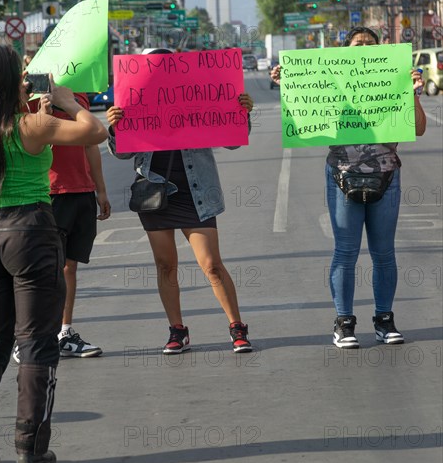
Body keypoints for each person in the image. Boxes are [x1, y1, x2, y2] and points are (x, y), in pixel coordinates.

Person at [0, 43, 108, 463]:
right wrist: (63, 102)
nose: (26, 78)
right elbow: (96, 132)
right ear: (4, 82)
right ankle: (31, 447)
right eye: (18, 74)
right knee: (37, 343)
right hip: (32, 232)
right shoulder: (33, 125)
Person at [270, 26, 426, 349]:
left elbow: (419, 128)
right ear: (345, 51)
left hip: (387, 175)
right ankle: (344, 323)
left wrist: (412, 91)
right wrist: (290, 83)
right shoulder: (333, 80)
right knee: (345, 251)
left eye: (371, 43)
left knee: (384, 253)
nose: (364, 47)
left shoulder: (395, 79)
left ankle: (384, 319)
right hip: (342, 175)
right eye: (358, 44)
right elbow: (305, 113)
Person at [106, 48, 254, 354]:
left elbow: (234, 141)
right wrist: (114, 126)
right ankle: (177, 331)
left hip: (195, 191)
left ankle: (236, 327)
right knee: (165, 264)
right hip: (154, 191)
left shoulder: (196, 94)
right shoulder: (135, 98)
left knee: (211, 264)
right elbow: (122, 153)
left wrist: (242, 113)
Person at [13, 93, 111, 360]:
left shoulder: (75, 97)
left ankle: (63, 333)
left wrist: (100, 189)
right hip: (48, 193)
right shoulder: (28, 98)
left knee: (69, 267)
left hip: (81, 191)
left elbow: (91, 141)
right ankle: (29, 337)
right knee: (44, 268)